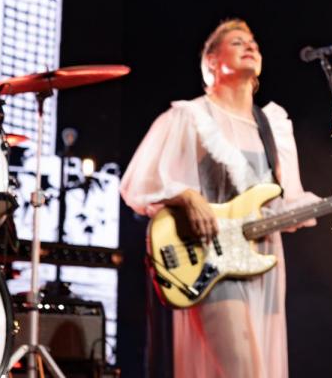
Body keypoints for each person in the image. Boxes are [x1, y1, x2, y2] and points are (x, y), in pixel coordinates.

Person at [122, 19, 319, 378]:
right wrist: (185, 196)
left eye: (254, 42)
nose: (251, 46)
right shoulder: (191, 116)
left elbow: (285, 201)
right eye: (237, 41)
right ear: (211, 60)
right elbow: (140, 180)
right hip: (211, 264)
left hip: (263, 261)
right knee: (242, 370)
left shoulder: (273, 125)